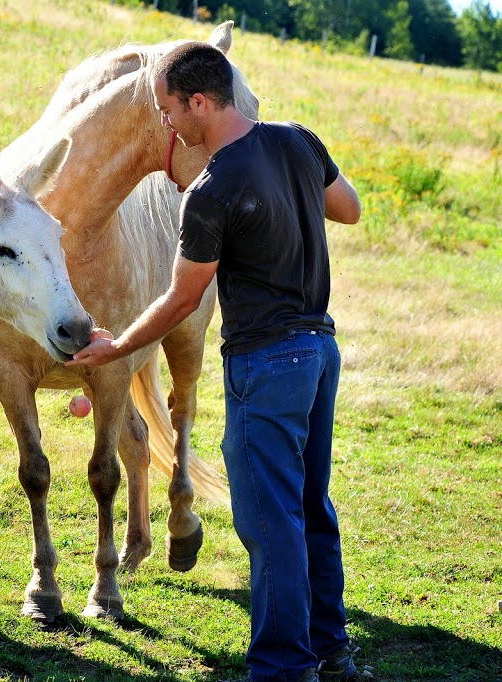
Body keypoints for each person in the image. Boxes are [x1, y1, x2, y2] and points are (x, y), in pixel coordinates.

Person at [65, 42, 370, 682]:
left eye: (169, 110)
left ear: (199, 102)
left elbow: (182, 297)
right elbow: (349, 209)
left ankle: (284, 668)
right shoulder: (299, 142)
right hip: (321, 352)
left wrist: (116, 346)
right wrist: (282, 209)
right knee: (312, 503)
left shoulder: (210, 191)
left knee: (270, 520)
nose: (166, 125)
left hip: (267, 366)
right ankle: (331, 648)